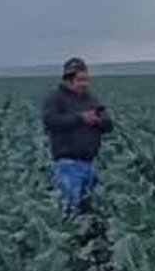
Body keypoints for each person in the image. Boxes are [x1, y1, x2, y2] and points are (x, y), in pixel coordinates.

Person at [41, 56, 113, 211]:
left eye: (86, 80)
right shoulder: (56, 98)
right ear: (68, 80)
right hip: (67, 164)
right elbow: (50, 121)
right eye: (80, 80)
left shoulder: (91, 98)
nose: (84, 84)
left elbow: (109, 124)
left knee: (88, 208)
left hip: (90, 164)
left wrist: (98, 121)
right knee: (70, 208)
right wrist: (80, 118)